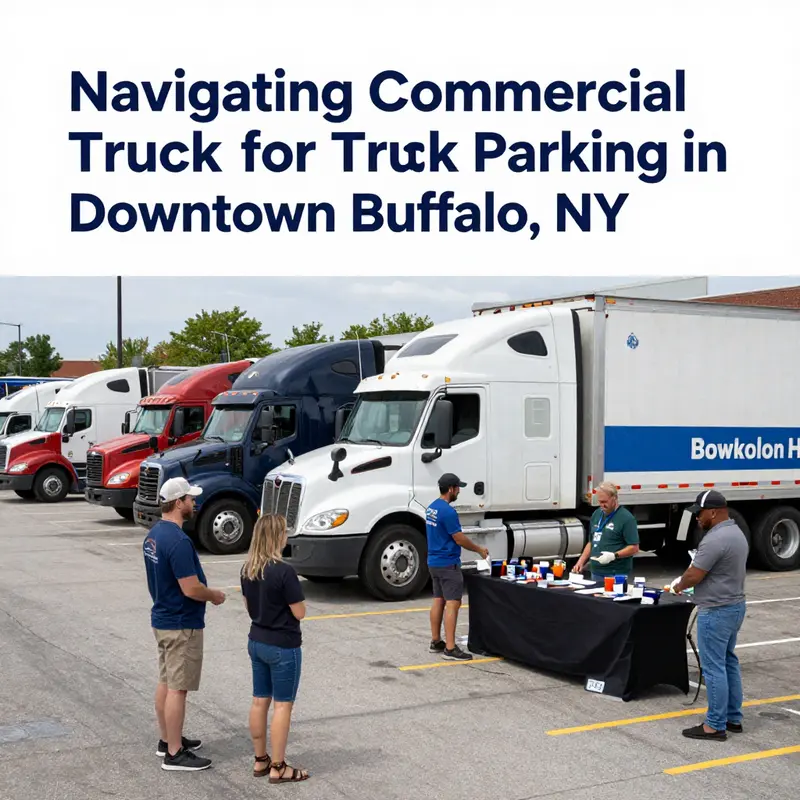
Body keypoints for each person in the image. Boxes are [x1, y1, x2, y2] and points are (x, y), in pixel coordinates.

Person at [143, 476, 226, 772]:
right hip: (181, 623)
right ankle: (175, 754)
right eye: (190, 499)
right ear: (178, 503)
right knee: (179, 688)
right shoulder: (178, 541)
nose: (194, 503)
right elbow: (190, 588)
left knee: (166, 681)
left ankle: (168, 739)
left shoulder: (153, 535)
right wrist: (213, 595)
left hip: (163, 618)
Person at [669, 490, 748, 741]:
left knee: (713, 668)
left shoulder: (715, 539)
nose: (697, 518)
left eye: (700, 513)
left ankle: (715, 725)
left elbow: (694, 573)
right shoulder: (736, 533)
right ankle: (733, 717)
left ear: (713, 512)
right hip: (735, 605)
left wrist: (677, 586)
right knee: (728, 662)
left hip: (716, 609)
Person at [240, 514, 309, 783]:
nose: (286, 537)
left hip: (256, 640)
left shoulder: (248, 569)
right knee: (282, 707)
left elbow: (249, 607)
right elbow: (300, 612)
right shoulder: (284, 571)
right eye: (284, 532)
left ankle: (260, 759)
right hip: (283, 644)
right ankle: (279, 766)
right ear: (276, 537)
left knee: (260, 700)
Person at [426, 473, 489, 661]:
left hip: (433, 561)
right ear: (451, 489)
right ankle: (451, 648)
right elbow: (458, 538)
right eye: (458, 488)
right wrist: (479, 550)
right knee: (453, 603)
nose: (459, 491)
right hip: (448, 563)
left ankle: (436, 641)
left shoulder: (431, 508)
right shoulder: (448, 512)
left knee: (438, 600)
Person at [573, 481, 640, 582]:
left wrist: (614, 556)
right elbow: (591, 542)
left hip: (615, 574)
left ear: (614, 499)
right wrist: (580, 562)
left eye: (605, 502)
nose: (602, 505)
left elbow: (634, 548)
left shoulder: (626, 518)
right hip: (596, 572)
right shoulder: (597, 514)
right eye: (600, 502)